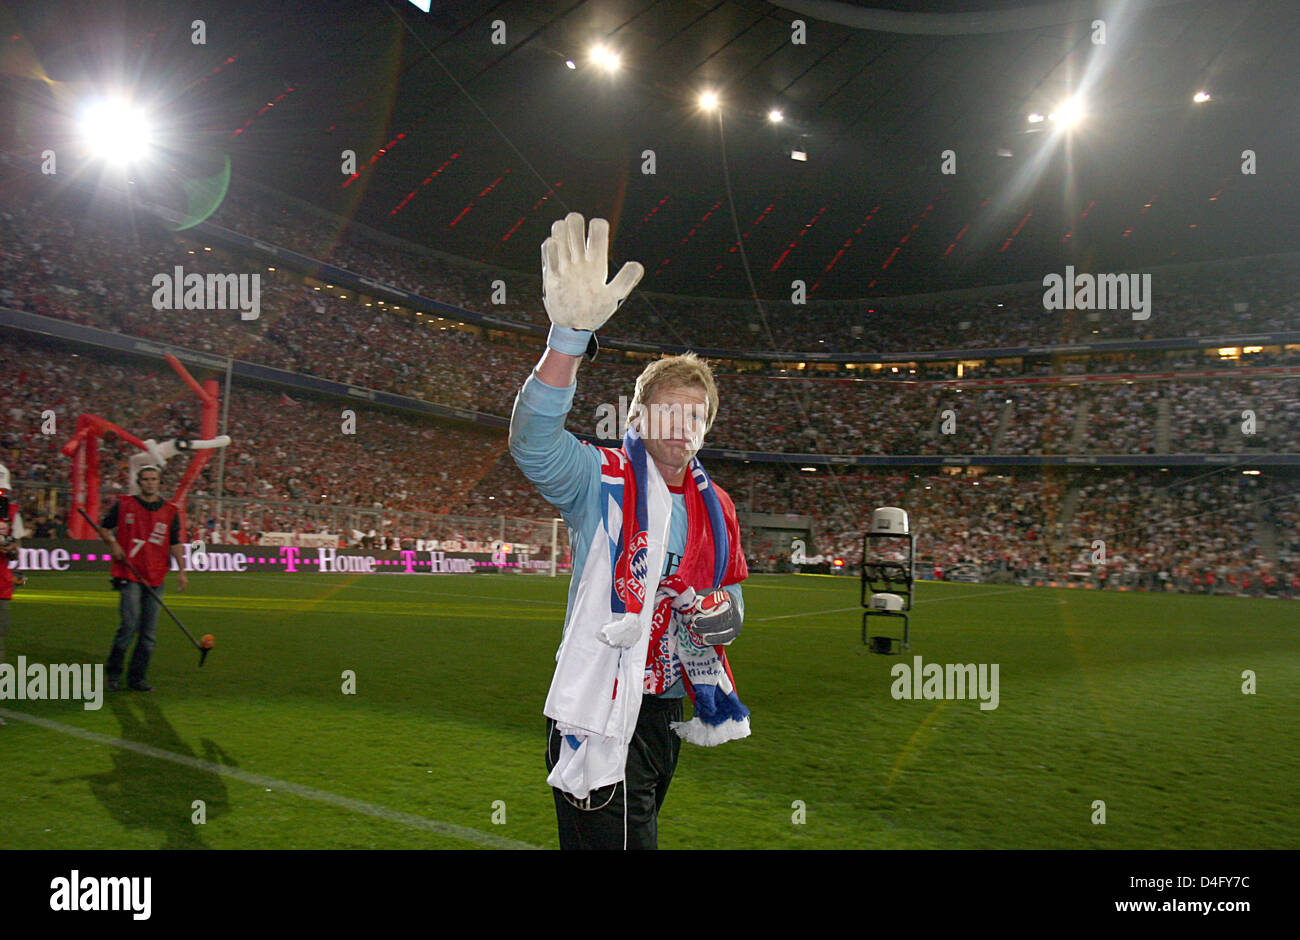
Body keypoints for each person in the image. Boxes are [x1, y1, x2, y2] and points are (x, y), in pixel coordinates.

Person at [510, 213, 749, 850]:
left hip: (666, 708)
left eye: (693, 415)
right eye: (665, 409)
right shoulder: (602, 479)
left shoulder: (716, 505)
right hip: (599, 704)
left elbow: (731, 603)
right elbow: (532, 443)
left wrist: (717, 611)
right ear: (638, 415)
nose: (679, 424)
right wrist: (568, 337)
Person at [96, 466, 187, 692]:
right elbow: (104, 528)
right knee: (129, 625)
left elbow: (174, 542)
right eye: (145, 479)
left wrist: (182, 571)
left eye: (153, 479)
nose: (149, 483)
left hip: (156, 575)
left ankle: (137, 678)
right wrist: (114, 545)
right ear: (139, 482)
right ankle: (113, 674)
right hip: (130, 573)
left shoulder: (169, 510)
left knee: (149, 633)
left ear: (159, 482)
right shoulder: (125, 503)